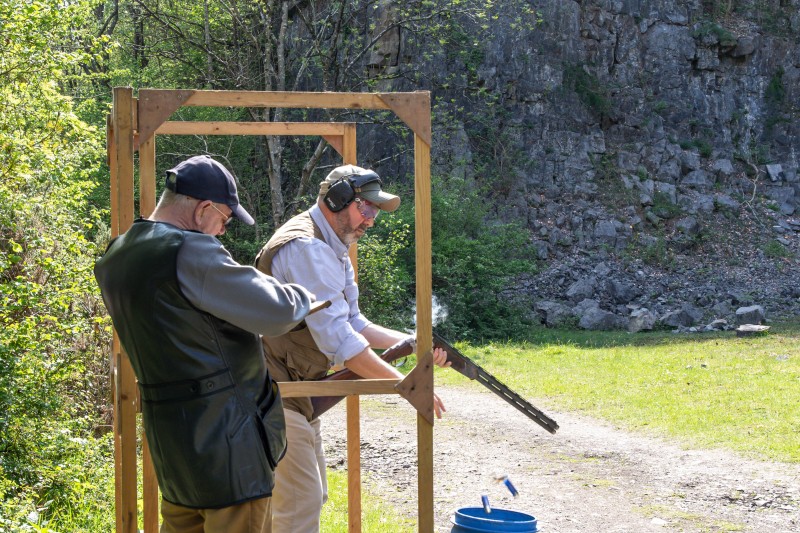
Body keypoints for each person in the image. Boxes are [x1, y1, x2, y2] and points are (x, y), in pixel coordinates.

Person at [94, 155, 315, 533]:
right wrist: (302, 293)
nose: (223, 232)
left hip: (175, 448)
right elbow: (279, 312)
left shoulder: (118, 253)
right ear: (203, 210)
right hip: (230, 447)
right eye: (225, 219)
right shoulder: (189, 249)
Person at [254, 164, 448, 532]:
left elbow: (355, 324)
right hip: (273, 391)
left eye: (374, 212)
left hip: (295, 392)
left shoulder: (332, 248)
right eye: (366, 208)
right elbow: (341, 342)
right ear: (337, 199)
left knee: (306, 499)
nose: (371, 220)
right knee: (300, 504)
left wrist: (417, 346)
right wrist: (407, 386)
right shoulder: (308, 248)